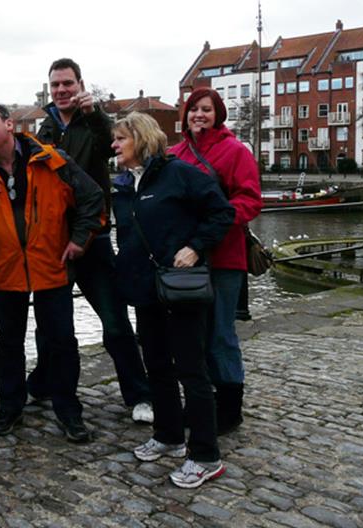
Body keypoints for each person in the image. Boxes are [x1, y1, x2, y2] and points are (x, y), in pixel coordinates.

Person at [0, 104, 104, 443]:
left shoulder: (52, 160)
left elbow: (93, 199)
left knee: (62, 342)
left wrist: (79, 241)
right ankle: (10, 406)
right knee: (9, 344)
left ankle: (68, 411)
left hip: (52, 267)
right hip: (7, 272)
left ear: (9, 124)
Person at [110, 112, 234, 488]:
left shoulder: (178, 174)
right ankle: (168, 435)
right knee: (158, 367)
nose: (114, 145)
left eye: (120, 139)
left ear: (141, 139)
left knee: (191, 371)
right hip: (146, 291)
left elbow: (221, 211)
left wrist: (195, 248)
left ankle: (205, 454)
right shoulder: (124, 184)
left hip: (180, 288)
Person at [33, 58, 153, 423]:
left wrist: (97, 113)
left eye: (67, 84)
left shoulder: (96, 125)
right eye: (55, 85)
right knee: (49, 323)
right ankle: (43, 384)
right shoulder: (45, 130)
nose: (61, 91)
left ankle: (139, 395)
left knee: (115, 320)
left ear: (80, 84)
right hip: (55, 241)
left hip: (94, 237)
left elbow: (110, 148)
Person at [169, 87, 263, 434]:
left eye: (206, 109)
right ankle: (199, 402)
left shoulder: (234, 151)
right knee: (191, 334)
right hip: (185, 259)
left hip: (223, 256)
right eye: (194, 109)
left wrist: (213, 223)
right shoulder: (175, 153)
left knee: (221, 333)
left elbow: (250, 200)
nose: (199, 115)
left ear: (218, 114)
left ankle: (228, 408)